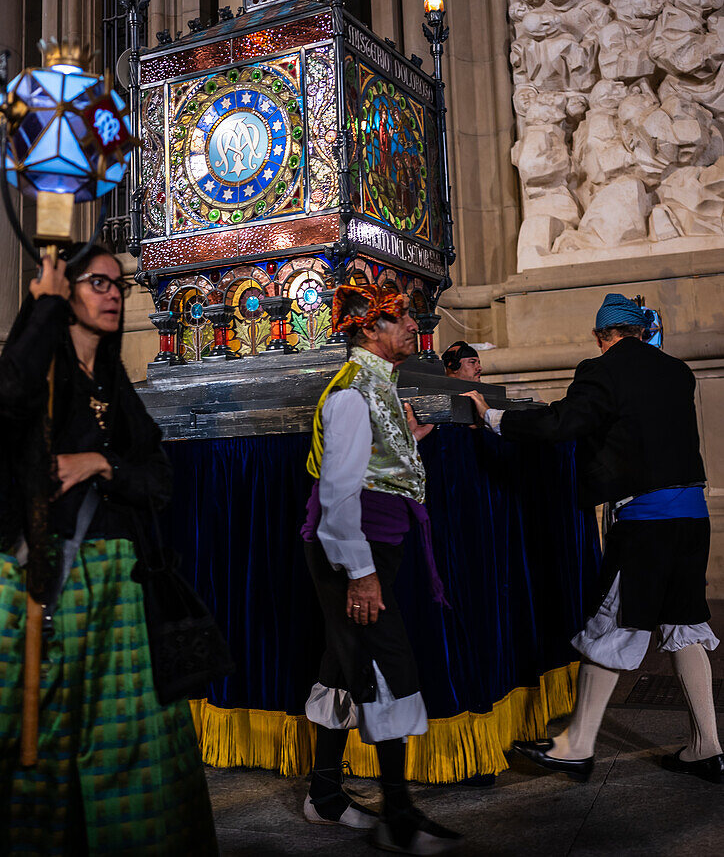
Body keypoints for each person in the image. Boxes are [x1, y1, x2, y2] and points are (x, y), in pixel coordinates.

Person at [0, 244, 218, 854]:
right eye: (97, 283)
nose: (114, 293)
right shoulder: (40, 371)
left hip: (120, 595)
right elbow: (6, 398)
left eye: (119, 284)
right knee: (32, 742)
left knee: (126, 747)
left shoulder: (115, 388)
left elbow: (160, 482)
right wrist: (41, 301)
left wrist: (99, 463)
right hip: (40, 583)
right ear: (67, 294)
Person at [471, 293, 723, 784]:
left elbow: (564, 423)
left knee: (611, 627)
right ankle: (707, 746)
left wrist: (495, 418)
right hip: (693, 519)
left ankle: (576, 745)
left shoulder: (602, 369)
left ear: (600, 336)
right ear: (639, 330)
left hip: (646, 522)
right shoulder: (677, 371)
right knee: (683, 625)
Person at [300, 284, 461, 854]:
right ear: (369, 329)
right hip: (353, 547)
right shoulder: (351, 393)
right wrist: (360, 573)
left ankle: (324, 794)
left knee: (345, 663)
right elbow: (340, 492)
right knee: (386, 664)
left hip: (376, 542)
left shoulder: (379, 386)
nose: (414, 326)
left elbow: (372, 464)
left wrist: (407, 444)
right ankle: (399, 814)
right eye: (401, 319)